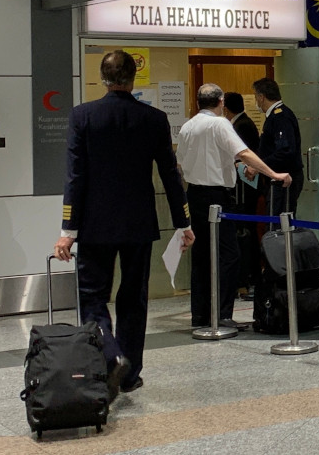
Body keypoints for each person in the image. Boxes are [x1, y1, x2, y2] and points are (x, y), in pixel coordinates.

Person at [54, 50, 195, 399]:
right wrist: (184, 222)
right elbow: (170, 174)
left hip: (94, 225)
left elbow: (76, 177)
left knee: (93, 297)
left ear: (103, 79)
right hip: (139, 223)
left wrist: (67, 231)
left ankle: (109, 356)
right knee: (134, 298)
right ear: (135, 79)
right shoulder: (154, 119)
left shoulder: (82, 116)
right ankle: (129, 373)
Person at [178, 83, 292, 328]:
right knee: (229, 255)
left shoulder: (187, 126)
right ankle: (222, 314)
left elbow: (180, 163)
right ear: (220, 102)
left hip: (194, 195)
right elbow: (244, 153)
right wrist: (273, 173)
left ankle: (200, 314)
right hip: (216, 197)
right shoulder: (220, 124)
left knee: (201, 256)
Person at [223, 91, 260, 298]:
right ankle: (247, 276)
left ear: (226, 109)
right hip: (243, 188)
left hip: (245, 188)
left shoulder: (241, 126)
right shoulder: (242, 123)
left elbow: (243, 155)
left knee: (246, 233)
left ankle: (247, 277)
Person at [252, 78, 303, 216]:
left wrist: (259, 166)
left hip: (283, 180)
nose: (256, 101)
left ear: (261, 97)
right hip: (276, 179)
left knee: (278, 223)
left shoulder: (280, 117)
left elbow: (285, 151)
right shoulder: (275, 117)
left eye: (256, 96)